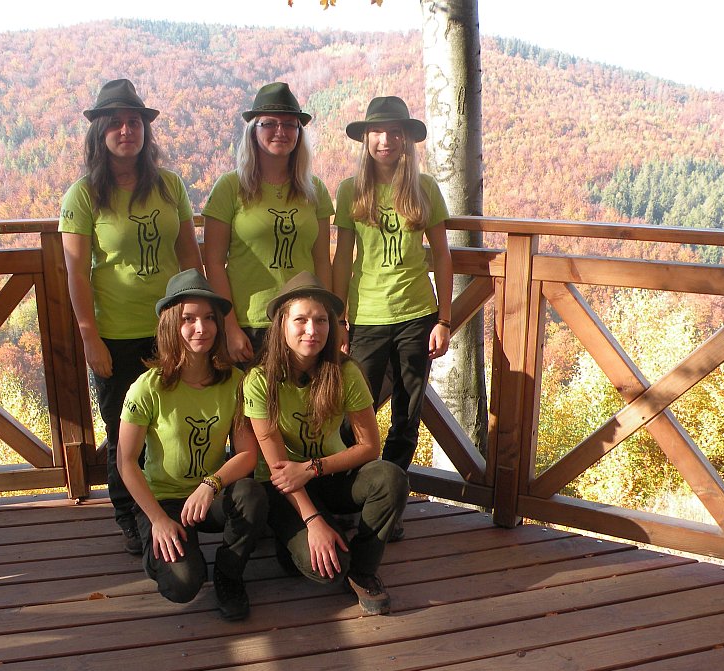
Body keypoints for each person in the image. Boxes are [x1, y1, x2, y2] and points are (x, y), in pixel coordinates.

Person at [60, 79, 203, 555]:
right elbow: (76, 272)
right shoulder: (84, 195)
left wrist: (201, 318)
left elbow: (189, 255)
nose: (127, 130)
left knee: (177, 421)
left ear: (145, 130)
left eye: (135, 122)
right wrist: (90, 337)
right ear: (100, 131)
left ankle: (175, 507)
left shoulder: (169, 185)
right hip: (117, 334)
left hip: (173, 329)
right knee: (124, 429)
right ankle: (128, 515)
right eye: (117, 123)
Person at [242, 272, 407, 616]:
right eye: (301, 320)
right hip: (282, 487)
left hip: (326, 474)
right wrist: (314, 521)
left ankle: (363, 570)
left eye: (321, 321)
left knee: (390, 477)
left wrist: (313, 468)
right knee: (326, 570)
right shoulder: (259, 380)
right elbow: (278, 468)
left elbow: (369, 447)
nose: (312, 330)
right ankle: (298, 536)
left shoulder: (345, 372)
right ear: (281, 324)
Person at [333, 96, 453, 540]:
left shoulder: (424, 188)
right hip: (366, 316)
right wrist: (338, 317)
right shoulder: (351, 190)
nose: (385, 140)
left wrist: (444, 319)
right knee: (352, 408)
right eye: (377, 132)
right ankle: (350, 496)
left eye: (394, 132)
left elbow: (443, 256)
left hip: (417, 315)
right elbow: (342, 258)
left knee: (407, 412)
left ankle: (391, 502)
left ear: (406, 140)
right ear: (366, 139)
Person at [117, 269, 268, 621]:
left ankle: (229, 575)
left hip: (209, 495)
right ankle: (161, 548)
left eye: (209, 318)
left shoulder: (235, 381)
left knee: (251, 495)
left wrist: (211, 483)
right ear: (171, 324)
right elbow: (126, 461)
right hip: (164, 501)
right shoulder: (148, 387)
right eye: (188, 319)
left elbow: (248, 454)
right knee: (183, 583)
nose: (201, 328)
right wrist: (157, 519)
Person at [203, 81, 335, 365]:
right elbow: (213, 263)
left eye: (289, 124)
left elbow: (322, 261)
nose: (280, 131)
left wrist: (329, 321)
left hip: (303, 324)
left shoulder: (315, 190)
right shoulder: (230, 187)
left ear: (299, 133)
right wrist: (229, 326)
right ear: (253, 130)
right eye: (269, 123)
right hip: (249, 324)